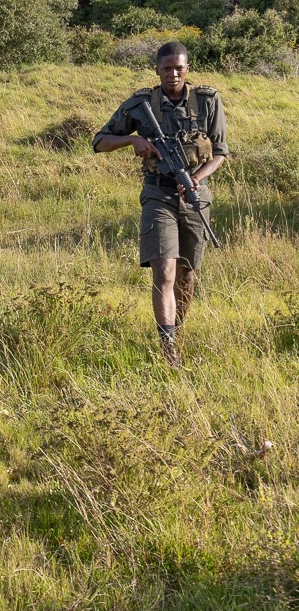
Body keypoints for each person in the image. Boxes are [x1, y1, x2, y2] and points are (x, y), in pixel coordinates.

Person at [92, 42, 228, 367]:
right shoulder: (141, 104)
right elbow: (99, 141)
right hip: (157, 194)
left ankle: (175, 330)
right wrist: (133, 140)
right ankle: (169, 352)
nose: (173, 74)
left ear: (187, 68)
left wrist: (195, 179)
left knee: (186, 274)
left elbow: (221, 152)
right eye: (167, 69)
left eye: (178, 68)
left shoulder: (208, 101)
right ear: (157, 70)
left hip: (195, 195)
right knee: (164, 270)